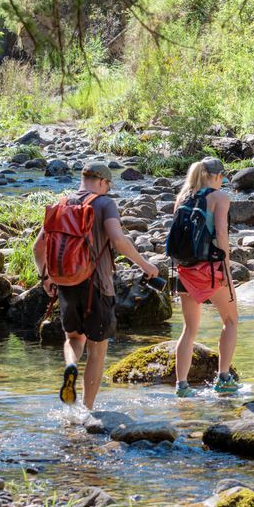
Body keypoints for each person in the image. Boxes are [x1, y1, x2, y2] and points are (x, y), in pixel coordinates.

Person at [33, 162, 159, 410]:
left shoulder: (62, 203)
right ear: (102, 182)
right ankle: (87, 410)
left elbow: (38, 247)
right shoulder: (104, 204)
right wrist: (145, 265)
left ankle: (70, 366)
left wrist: (45, 277)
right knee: (97, 349)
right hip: (98, 286)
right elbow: (117, 239)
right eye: (108, 185)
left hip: (67, 282)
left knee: (73, 338)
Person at [172, 157, 239, 397]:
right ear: (217, 176)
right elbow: (221, 232)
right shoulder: (219, 197)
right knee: (230, 320)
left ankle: (182, 386)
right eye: (223, 177)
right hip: (210, 269)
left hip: (185, 269)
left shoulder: (182, 197)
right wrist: (227, 267)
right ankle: (224, 378)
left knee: (189, 329)